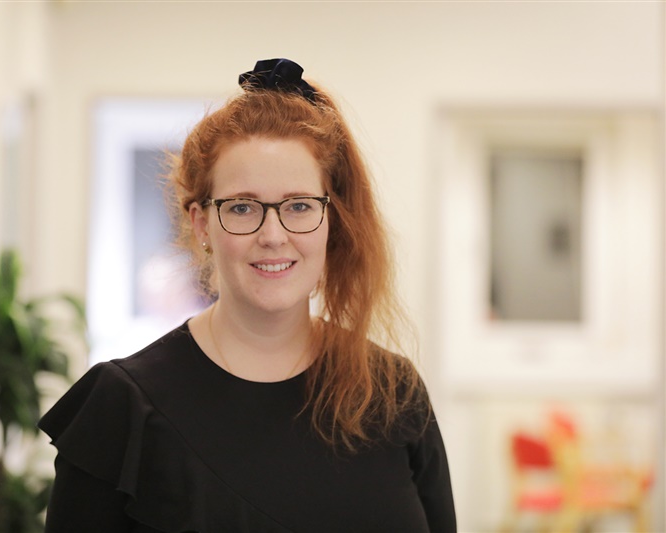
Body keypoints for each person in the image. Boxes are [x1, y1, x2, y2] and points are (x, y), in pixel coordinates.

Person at [39, 58, 456, 532]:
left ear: (331, 221)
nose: (273, 235)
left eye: (299, 206)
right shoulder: (123, 407)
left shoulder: (392, 391)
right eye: (242, 208)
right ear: (202, 224)